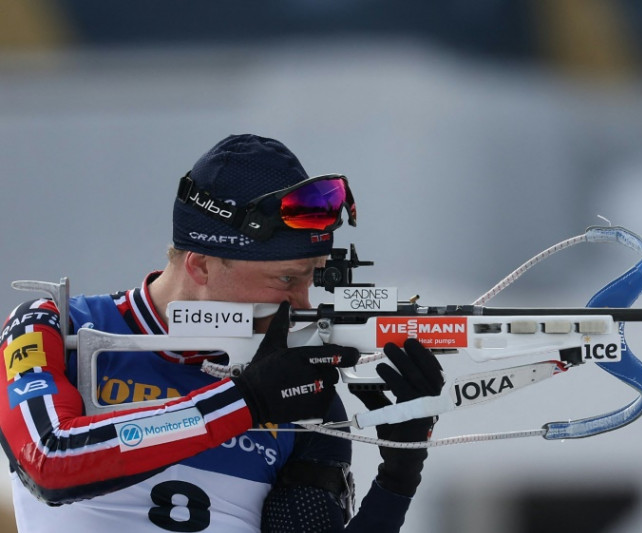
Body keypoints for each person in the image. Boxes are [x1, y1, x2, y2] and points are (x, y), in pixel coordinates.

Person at [0, 134, 444, 532]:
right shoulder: (54, 324)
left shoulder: (298, 386)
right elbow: (49, 461)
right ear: (201, 265)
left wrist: (399, 475)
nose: (303, 304)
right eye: (287, 280)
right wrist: (246, 401)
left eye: (313, 277)